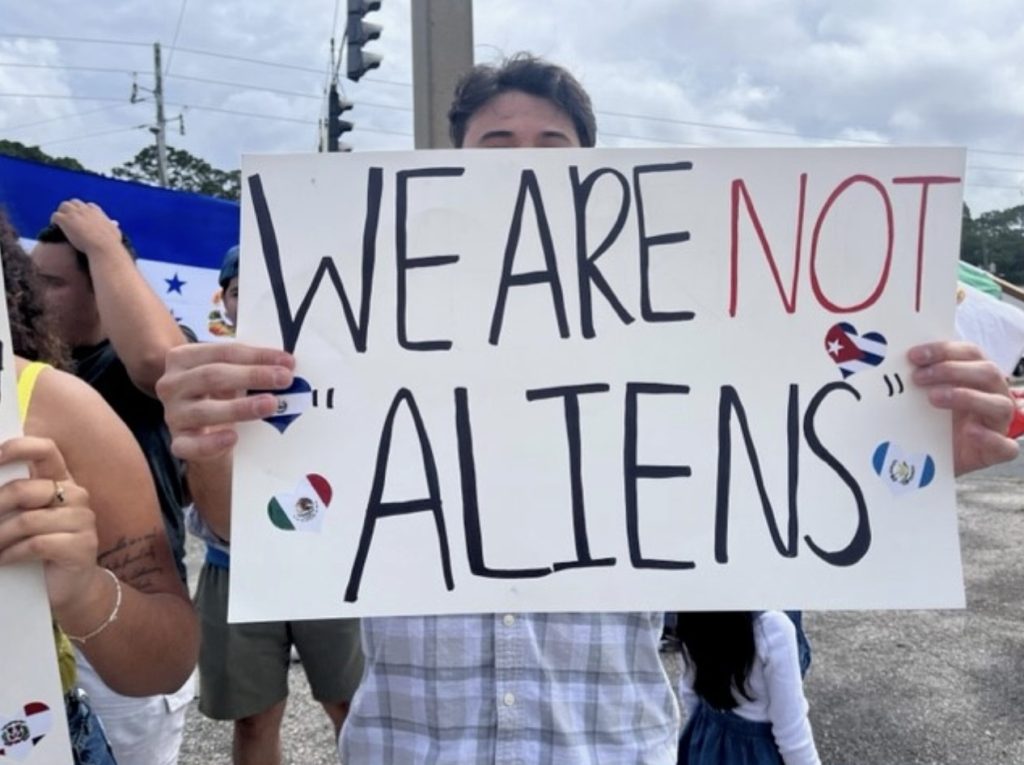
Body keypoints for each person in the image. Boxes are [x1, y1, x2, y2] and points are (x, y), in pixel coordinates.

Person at [155, 54, 1020, 765]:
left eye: (553, 145)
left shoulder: (679, 346)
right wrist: (212, 441)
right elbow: (258, 529)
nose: (524, 166)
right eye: (495, 144)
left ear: (596, 177)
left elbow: (772, 495)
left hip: (610, 743)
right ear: (449, 168)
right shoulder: (358, 337)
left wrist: (910, 455)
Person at [0, 210, 199, 763]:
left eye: (52, 282)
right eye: (29, 278)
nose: (32, 293)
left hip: (108, 624)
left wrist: (104, 245)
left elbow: (161, 362)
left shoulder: (102, 373)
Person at [185, 245, 363, 765]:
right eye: (240, 291)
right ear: (224, 301)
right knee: (253, 715)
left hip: (328, 563)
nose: (252, 301)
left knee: (351, 704)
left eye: (266, 289)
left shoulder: (340, 360)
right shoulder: (204, 372)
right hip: (233, 564)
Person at [675, 611, 820, 764]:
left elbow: (689, 689)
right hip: (757, 754)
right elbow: (792, 733)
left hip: (705, 739)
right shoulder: (774, 628)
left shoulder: (693, 613)